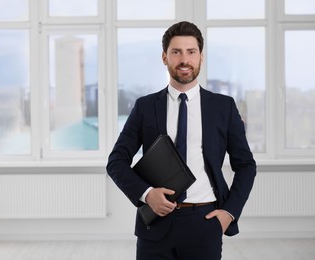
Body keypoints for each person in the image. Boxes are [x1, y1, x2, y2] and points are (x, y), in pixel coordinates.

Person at [106, 21, 256, 260]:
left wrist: (229, 212)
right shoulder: (145, 107)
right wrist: (146, 194)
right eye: (176, 52)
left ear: (201, 57)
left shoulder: (223, 107)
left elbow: (246, 165)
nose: (184, 59)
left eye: (191, 52)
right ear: (164, 57)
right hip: (155, 223)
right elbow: (116, 162)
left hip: (205, 222)